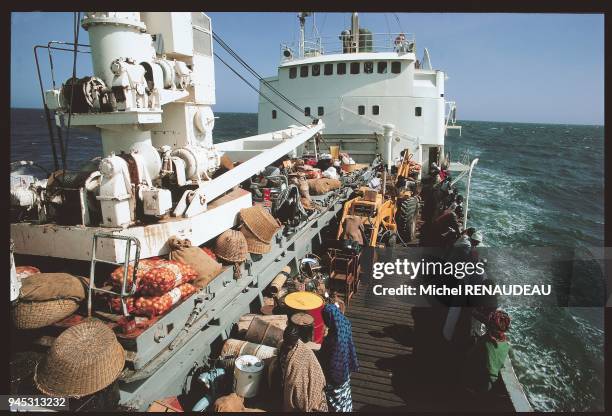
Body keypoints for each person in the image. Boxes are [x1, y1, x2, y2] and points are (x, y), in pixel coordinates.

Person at [279, 324, 328, 412]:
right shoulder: (304, 349)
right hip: (312, 392)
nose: (287, 346)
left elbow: (294, 384)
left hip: (309, 394)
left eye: (288, 343)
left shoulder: (305, 353)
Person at [319, 304, 359, 412]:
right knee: (344, 394)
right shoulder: (345, 323)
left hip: (335, 375)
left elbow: (326, 359)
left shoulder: (331, 341)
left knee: (335, 399)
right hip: (346, 365)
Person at [463, 310, 511, 393]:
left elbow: (469, 356)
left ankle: (469, 390)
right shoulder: (505, 343)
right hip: (489, 382)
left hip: (479, 383)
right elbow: (487, 321)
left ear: (490, 326)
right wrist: (474, 313)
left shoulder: (485, 345)